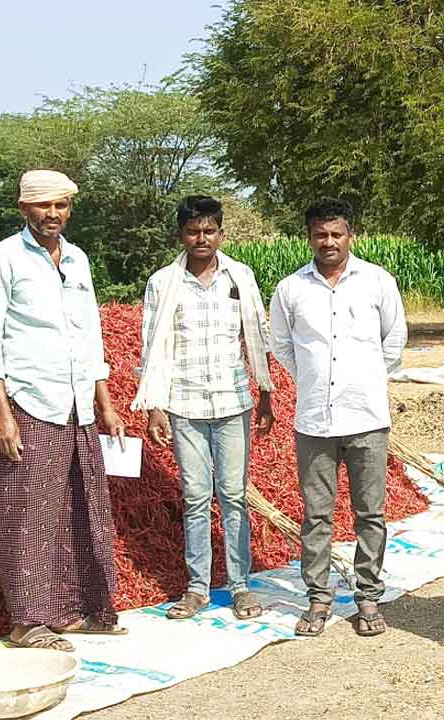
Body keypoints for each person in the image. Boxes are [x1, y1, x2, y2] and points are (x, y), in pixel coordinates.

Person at [0, 169, 128, 652]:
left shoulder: (78, 259)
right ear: (24, 209)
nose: (53, 214)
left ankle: (73, 610)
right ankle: (26, 621)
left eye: (61, 205)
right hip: (32, 400)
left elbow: (90, 336)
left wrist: (105, 404)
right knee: (27, 512)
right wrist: (3, 414)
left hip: (79, 404)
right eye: (43, 205)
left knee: (82, 507)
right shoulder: (1, 259)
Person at [133, 195, 276, 621]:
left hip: (233, 401)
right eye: (193, 231)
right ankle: (197, 587)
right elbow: (153, 346)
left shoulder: (240, 277)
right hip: (186, 403)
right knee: (195, 497)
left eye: (209, 230)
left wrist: (265, 392)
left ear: (221, 234)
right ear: (181, 235)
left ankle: (240, 586)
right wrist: (155, 406)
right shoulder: (163, 282)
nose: (202, 238)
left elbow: (257, 336)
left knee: (233, 496)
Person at [269, 198, 406, 638]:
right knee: (317, 516)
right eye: (320, 235)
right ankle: (318, 599)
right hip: (314, 421)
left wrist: (366, 379)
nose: (328, 242)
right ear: (309, 237)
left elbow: (394, 339)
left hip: (367, 417)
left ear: (351, 235)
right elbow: (281, 345)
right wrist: (311, 378)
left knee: (371, 513)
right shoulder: (291, 289)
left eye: (336, 234)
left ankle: (368, 598)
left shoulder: (377, 281)